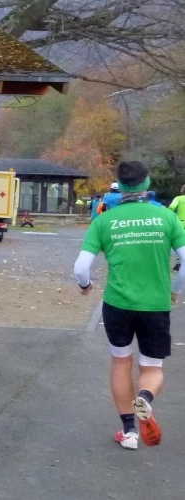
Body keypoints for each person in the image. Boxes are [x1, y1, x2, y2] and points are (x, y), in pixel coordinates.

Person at [74, 160, 185, 451]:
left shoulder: (104, 221)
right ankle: (144, 399)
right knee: (152, 367)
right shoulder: (166, 218)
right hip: (155, 305)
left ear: (120, 185)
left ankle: (129, 433)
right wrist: (174, 290)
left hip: (118, 305)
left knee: (121, 362)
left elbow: (81, 267)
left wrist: (85, 286)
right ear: (147, 183)